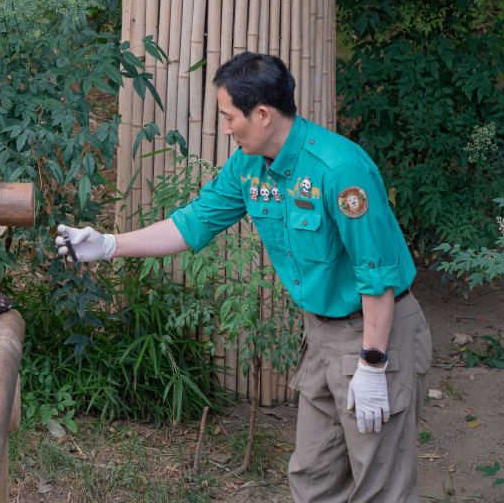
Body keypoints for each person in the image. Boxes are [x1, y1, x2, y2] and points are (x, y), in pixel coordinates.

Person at [56, 52, 431, 503]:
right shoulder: (248, 167)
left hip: (375, 331)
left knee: (379, 484)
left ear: (263, 114)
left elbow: (376, 275)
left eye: (229, 117)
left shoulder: (339, 170)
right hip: (322, 334)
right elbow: (192, 223)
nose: (226, 128)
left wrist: (373, 363)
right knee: (313, 477)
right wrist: (111, 244)